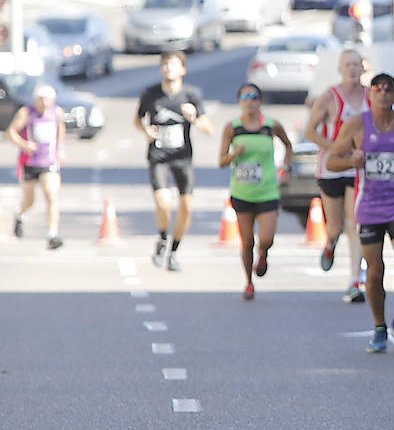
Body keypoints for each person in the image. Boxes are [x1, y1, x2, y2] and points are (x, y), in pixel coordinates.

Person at [327, 72, 394, 353]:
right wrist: (352, 159)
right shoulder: (355, 124)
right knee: (374, 272)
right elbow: (332, 161)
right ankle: (379, 326)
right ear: (370, 94)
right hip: (370, 206)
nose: (383, 93)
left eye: (389, 89)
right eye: (377, 88)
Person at [217, 83, 294, 300]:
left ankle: (264, 254)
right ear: (239, 102)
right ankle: (249, 282)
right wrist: (235, 154)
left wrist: (286, 169)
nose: (249, 101)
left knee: (267, 238)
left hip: (268, 190)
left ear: (260, 101)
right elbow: (221, 161)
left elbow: (288, 146)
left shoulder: (271, 125)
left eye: (253, 97)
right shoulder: (232, 128)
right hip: (242, 192)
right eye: (244, 97)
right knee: (247, 240)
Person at [136, 50, 212, 271]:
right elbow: (137, 119)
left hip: (182, 157)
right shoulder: (150, 94)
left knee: (187, 206)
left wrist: (194, 118)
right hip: (158, 156)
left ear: (183, 69)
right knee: (163, 202)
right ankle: (162, 238)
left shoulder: (191, 95)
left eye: (173, 64)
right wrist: (145, 130)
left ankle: (174, 250)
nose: (168, 68)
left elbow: (209, 128)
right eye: (165, 64)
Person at [306, 48, 368, 302]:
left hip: (357, 165)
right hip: (331, 166)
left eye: (357, 64)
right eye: (348, 65)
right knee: (335, 227)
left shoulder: (370, 96)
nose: (353, 69)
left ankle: (355, 279)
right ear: (341, 69)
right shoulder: (330, 97)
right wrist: (334, 148)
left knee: (356, 221)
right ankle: (330, 244)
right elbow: (310, 130)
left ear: (363, 68)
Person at [7, 84, 65, 249]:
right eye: (41, 100)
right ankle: (20, 214)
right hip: (30, 162)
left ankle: (52, 234)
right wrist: (24, 144)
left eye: (47, 99)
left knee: (51, 195)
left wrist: (61, 149)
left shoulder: (56, 112)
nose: (44, 103)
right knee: (29, 200)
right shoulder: (26, 113)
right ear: (36, 100)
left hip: (49, 161)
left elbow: (61, 130)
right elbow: (11, 132)